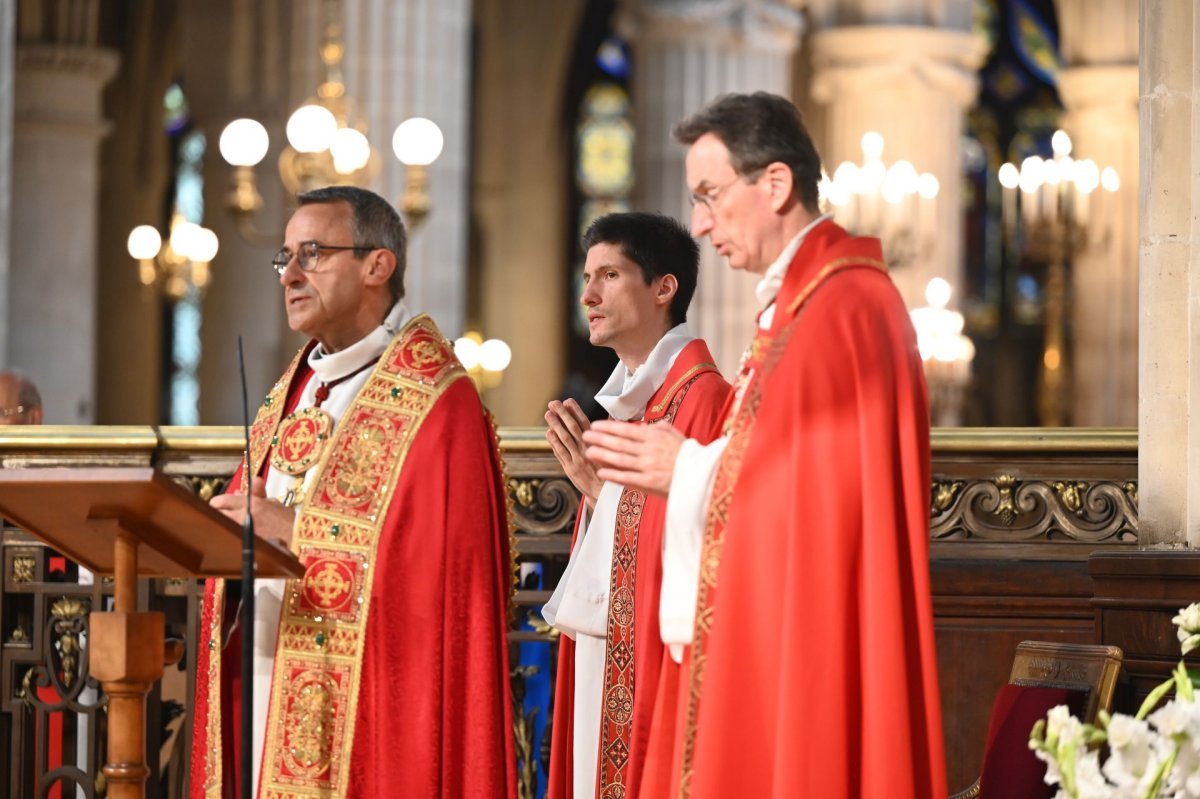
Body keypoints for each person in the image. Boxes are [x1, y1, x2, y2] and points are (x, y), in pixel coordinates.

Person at [582, 92, 945, 798]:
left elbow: (823, 510)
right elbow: (792, 473)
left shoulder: (841, 307)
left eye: (711, 195)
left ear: (774, 184)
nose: (698, 222)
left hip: (812, 651)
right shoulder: (800, 307)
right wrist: (676, 473)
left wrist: (684, 469)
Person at [189, 186, 516, 799]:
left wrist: (297, 534)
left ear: (376, 265)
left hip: (374, 708)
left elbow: (445, 585)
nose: (288, 273)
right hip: (265, 667)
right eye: (284, 256)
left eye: (311, 253)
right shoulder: (296, 388)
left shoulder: (438, 401)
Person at [541, 212, 730, 799]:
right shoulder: (640, 404)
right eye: (587, 276)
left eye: (609, 275)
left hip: (660, 661)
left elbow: (712, 544)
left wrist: (609, 499)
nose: (587, 295)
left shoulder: (704, 401)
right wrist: (595, 494)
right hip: (612, 652)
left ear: (663, 288)